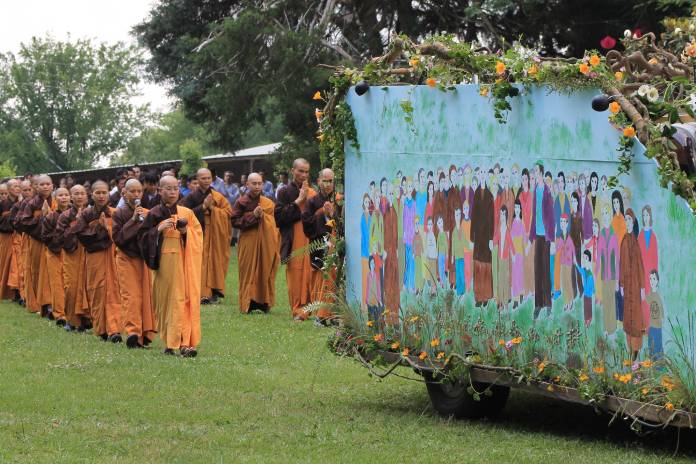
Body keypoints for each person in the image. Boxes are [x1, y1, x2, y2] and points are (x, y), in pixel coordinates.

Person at [139, 175, 203, 357]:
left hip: (185, 265)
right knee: (168, 302)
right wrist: (157, 230)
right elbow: (142, 238)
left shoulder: (186, 213)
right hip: (165, 268)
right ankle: (170, 342)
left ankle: (184, 343)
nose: (173, 192)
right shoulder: (154, 214)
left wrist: (185, 232)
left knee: (185, 300)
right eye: (168, 188)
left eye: (176, 188)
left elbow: (198, 235)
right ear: (160, 191)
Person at [73, 180, 122, 342]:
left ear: (109, 194)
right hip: (95, 257)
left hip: (112, 256)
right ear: (91, 195)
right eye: (98, 193)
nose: (101, 196)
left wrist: (107, 227)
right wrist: (99, 227)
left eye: (104, 192)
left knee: (114, 290)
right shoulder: (85, 215)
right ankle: (101, 328)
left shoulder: (115, 213)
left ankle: (114, 329)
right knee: (97, 290)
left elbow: (121, 235)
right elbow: (81, 235)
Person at [112, 179, 157, 349]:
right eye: (132, 191)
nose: (136, 194)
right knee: (131, 296)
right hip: (126, 258)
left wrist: (148, 224)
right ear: (124, 193)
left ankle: (145, 334)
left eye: (139, 191)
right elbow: (118, 239)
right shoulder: (119, 213)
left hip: (143, 259)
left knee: (146, 296)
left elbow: (152, 236)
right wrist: (133, 221)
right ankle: (133, 332)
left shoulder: (147, 213)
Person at [181, 168, 233, 304]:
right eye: (203, 178)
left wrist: (212, 209)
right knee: (200, 265)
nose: (206, 181)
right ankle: (200, 293)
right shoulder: (190, 197)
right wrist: (203, 207)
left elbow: (228, 213)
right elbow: (183, 215)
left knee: (215, 263)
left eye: (208, 178)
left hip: (215, 236)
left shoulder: (218, 196)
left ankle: (213, 292)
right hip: (198, 236)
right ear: (197, 180)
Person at [232, 173, 280, 314]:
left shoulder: (268, 203)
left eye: (260, 183)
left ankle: (263, 302)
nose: (257, 186)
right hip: (248, 240)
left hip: (266, 241)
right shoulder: (241, 202)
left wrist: (263, 216)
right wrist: (253, 215)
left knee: (265, 269)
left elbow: (274, 222)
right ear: (247, 184)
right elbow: (235, 221)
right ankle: (248, 301)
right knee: (248, 271)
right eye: (254, 183)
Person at [275, 158, 316, 320]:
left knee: (310, 272)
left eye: (307, 172)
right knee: (296, 274)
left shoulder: (313, 193)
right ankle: (297, 309)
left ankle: (310, 308)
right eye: (300, 171)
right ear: (293, 171)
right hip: (293, 239)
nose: (304, 175)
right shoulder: (284, 192)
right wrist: (298, 201)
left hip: (311, 240)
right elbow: (279, 219)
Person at [302, 168, 343, 325]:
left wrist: (333, 214)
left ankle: (331, 315)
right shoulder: (312, 202)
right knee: (321, 280)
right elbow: (306, 225)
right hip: (319, 245)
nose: (328, 184)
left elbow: (343, 226)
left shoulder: (339, 200)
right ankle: (320, 315)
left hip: (335, 246)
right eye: (325, 180)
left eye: (331, 181)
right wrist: (321, 214)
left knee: (334, 281)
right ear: (318, 181)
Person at [15, 175, 55, 316]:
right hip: (37, 242)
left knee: (53, 273)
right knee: (37, 272)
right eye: (42, 184)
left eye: (47, 184)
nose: (45, 187)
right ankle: (41, 304)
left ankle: (52, 303)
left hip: (54, 243)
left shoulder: (57, 201)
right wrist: (41, 218)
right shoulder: (31, 203)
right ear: (36, 187)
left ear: (52, 185)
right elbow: (22, 222)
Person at [57, 185, 91, 331]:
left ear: (87, 196)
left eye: (82, 194)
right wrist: (77, 224)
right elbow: (60, 237)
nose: (79, 196)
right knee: (71, 286)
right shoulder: (65, 216)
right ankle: (71, 320)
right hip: (72, 255)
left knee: (86, 286)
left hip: (88, 254)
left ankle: (85, 319)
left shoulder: (91, 213)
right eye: (76, 194)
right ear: (71, 197)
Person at [40, 187, 71, 326]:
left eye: (66, 195)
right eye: (61, 195)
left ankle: (71, 312)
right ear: (55, 199)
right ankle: (59, 314)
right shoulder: (51, 216)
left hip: (71, 253)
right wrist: (59, 241)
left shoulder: (75, 214)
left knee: (70, 283)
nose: (64, 198)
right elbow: (45, 236)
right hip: (54, 253)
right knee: (56, 283)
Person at [619, 209, 646, 360]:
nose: (628, 222)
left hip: (635, 286)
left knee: (636, 315)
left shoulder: (635, 241)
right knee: (628, 316)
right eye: (626, 220)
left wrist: (642, 286)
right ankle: (631, 348)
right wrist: (622, 284)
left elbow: (641, 265)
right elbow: (622, 265)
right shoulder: (624, 241)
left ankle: (636, 348)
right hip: (628, 286)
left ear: (633, 222)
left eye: (630, 220)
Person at [529, 162, 554, 316]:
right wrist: (531, 236)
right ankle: (538, 304)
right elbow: (534, 215)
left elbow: (551, 217)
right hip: (537, 236)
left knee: (546, 271)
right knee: (537, 270)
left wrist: (551, 239)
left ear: (541, 173)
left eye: (536, 171)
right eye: (534, 171)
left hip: (546, 237)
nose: (535, 173)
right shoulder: (535, 192)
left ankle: (548, 304)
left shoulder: (547, 192)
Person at [0, 183, 16, 300]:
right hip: (5, 235)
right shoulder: (3, 205)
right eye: (2, 193)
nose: (4, 196)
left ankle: (13, 291)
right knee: (4, 261)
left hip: (16, 236)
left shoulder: (18, 203)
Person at [645, 270, 663, 359]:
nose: (652, 281)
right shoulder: (650, 295)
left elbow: (662, 314)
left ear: (657, 281)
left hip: (657, 328)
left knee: (657, 350)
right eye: (650, 279)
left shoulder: (658, 297)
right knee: (651, 350)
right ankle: (652, 368)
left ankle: (659, 369)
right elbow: (645, 299)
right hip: (651, 327)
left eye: (654, 279)